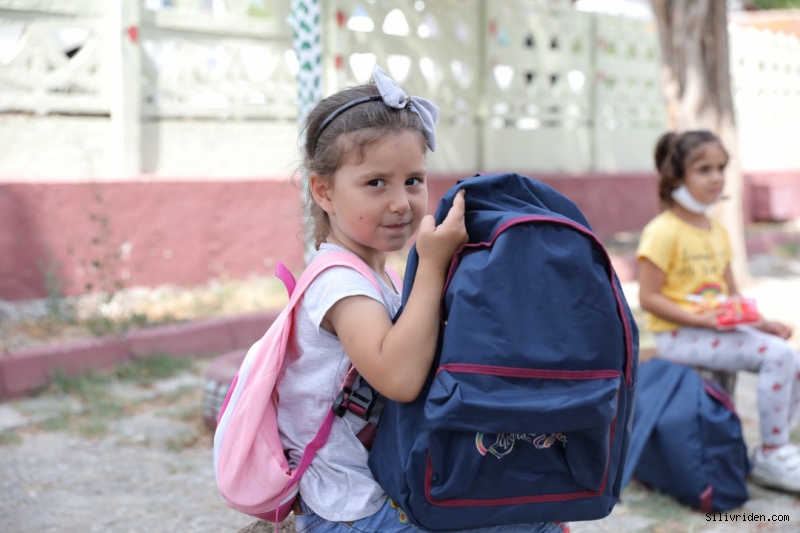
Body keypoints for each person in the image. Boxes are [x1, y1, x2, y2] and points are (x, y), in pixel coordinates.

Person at [277, 64, 568, 533]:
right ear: (324, 191)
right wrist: (432, 265)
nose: (401, 202)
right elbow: (400, 379)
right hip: (355, 512)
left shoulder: (377, 276)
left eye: (413, 180)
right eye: (376, 183)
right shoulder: (338, 282)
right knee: (532, 522)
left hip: (386, 487)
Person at [637, 130, 800, 494]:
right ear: (676, 178)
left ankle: (779, 446)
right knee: (776, 357)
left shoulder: (717, 231)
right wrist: (700, 319)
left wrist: (762, 324)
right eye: (704, 169)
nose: (716, 177)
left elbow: (732, 295)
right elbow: (648, 297)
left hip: (714, 330)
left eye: (721, 168)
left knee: (792, 357)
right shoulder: (662, 232)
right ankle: (772, 454)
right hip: (677, 335)